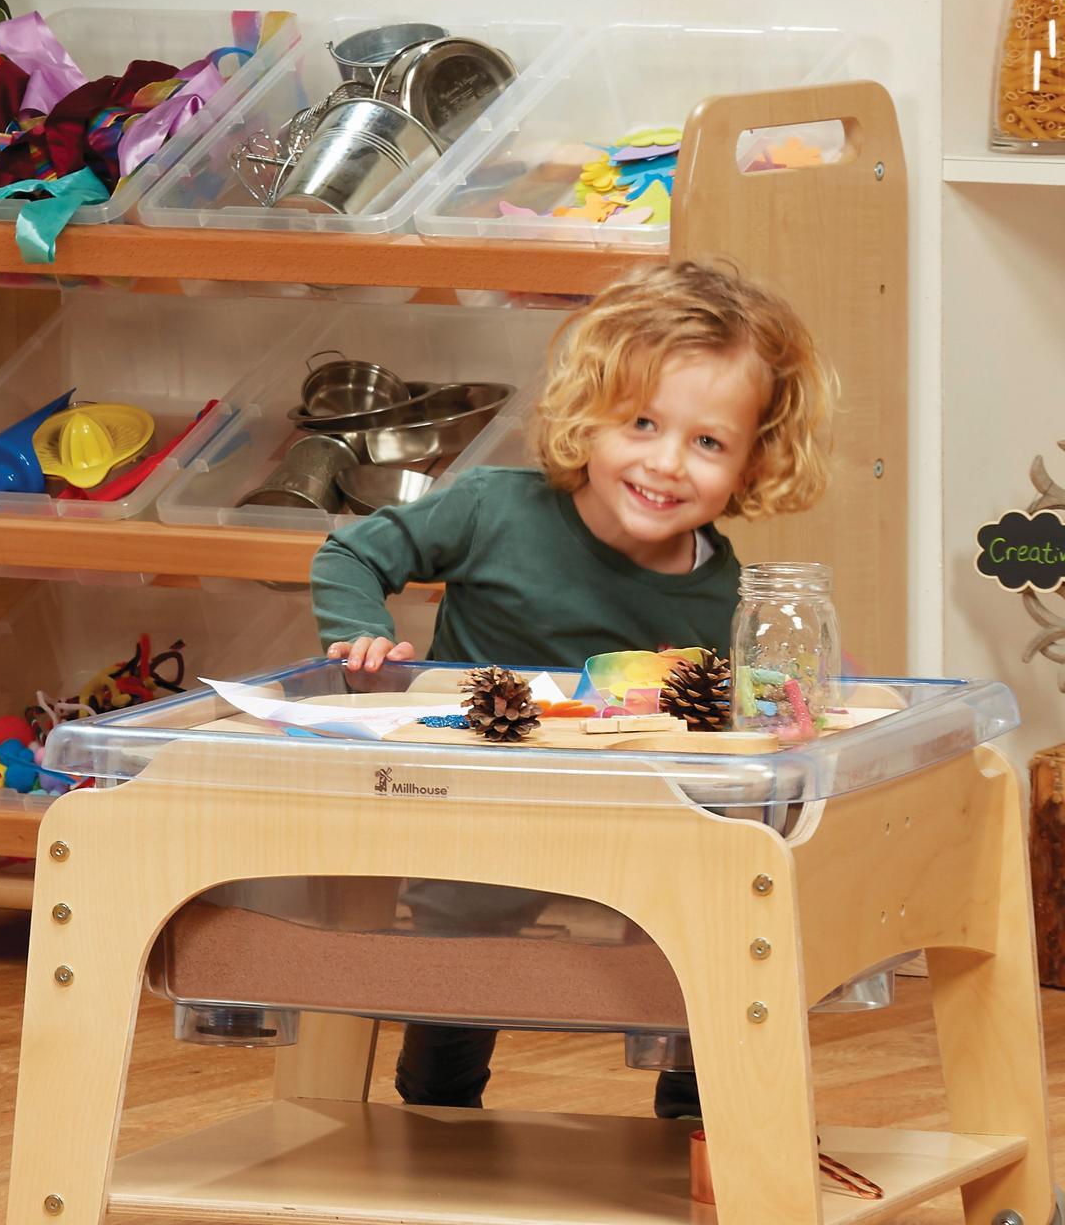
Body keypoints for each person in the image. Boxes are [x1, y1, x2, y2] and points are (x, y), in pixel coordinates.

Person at [311, 256, 837, 1117]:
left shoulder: (724, 584)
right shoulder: (491, 507)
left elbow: (719, 716)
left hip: (636, 824)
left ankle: (697, 1108)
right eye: (640, 422)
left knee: (709, 923)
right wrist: (360, 632)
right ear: (587, 415)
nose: (667, 464)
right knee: (454, 956)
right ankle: (437, 1115)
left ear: (752, 462)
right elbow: (351, 552)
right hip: (475, 810)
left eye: (708, 442)